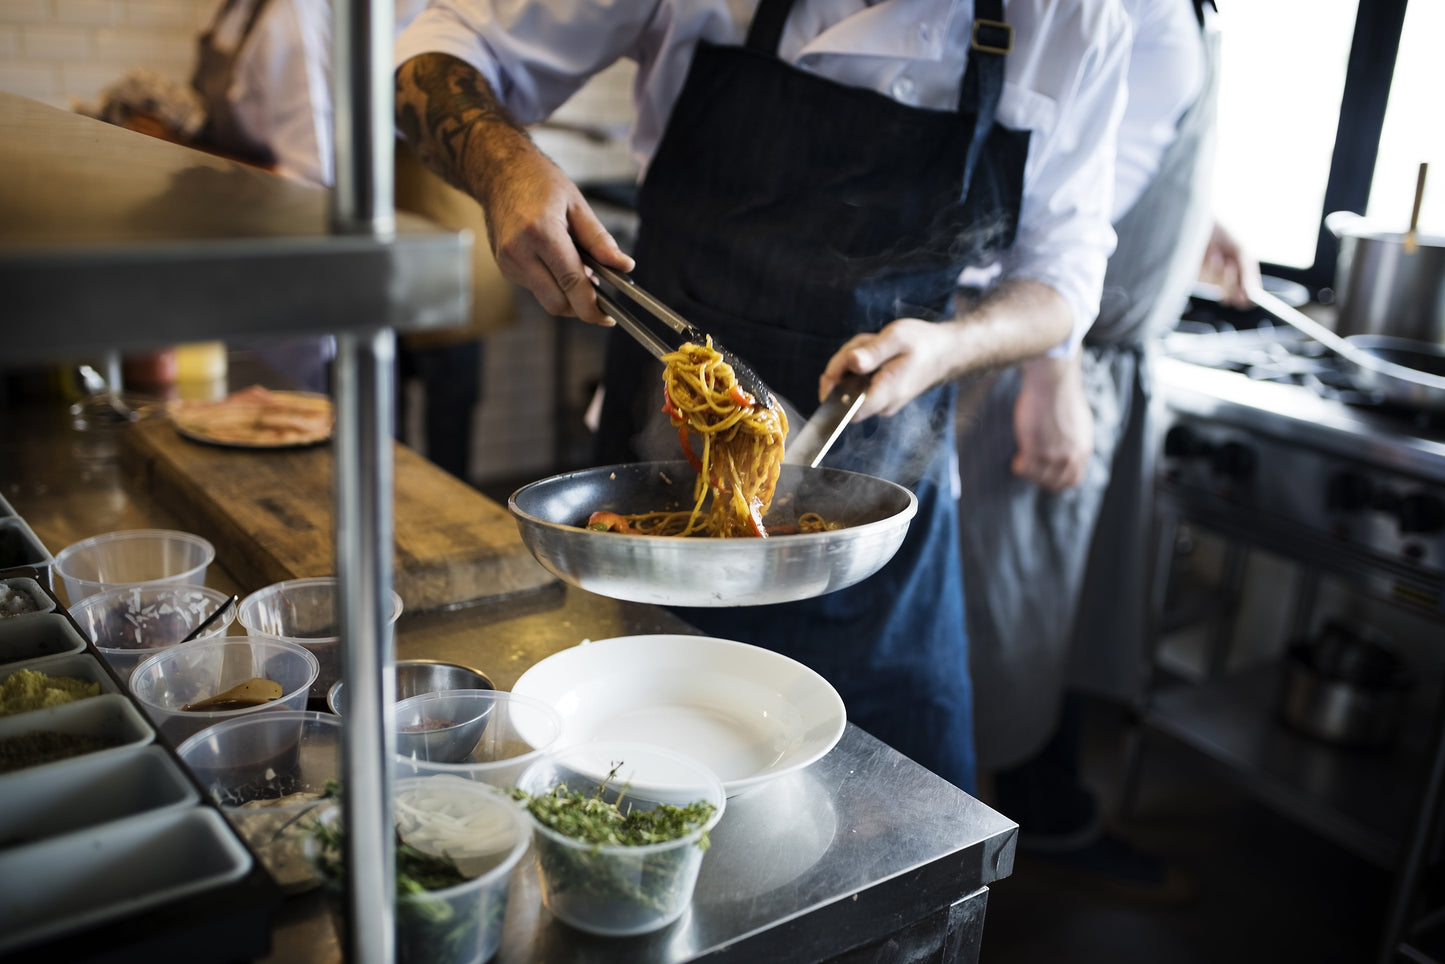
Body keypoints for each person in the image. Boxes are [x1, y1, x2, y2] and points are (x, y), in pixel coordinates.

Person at [394, 0, 1133, 794]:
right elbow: (431, 57)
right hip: (654, 504)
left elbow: (1062, 277)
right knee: (624, 789)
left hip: (879, 522)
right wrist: (506, 167)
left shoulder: (1077, 20)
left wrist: (948, 345)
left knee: (907, 813)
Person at [957, 0, 1258, 891]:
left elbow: (1122, 156)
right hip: (1051, 365)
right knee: (1010, 620)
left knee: (1067, 613)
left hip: (1104, 367)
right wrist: (1054, 371)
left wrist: (1200, 215)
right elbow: (1041, 191)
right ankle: (953, 857)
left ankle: (1044, 815)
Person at [187, 0, 513, 477]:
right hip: (373, 233)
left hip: (438, 221)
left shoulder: (305, 18)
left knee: (448, 411)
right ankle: (396, 506)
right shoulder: (262, 15)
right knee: (387, 416)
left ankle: (434, 513)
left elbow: (309, 169)